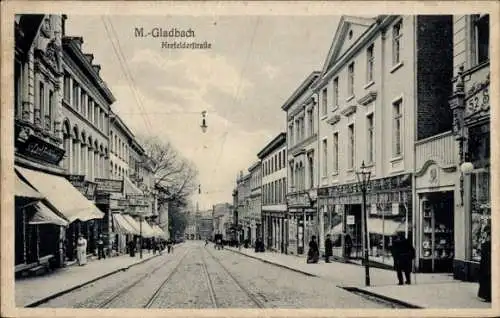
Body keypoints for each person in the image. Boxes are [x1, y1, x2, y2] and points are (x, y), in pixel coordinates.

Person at [478, 226, 491, 302]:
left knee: (486, 280)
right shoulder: (486, 244)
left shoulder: (486, 245)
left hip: (486, 265)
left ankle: (487, 296)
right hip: (486, 264)